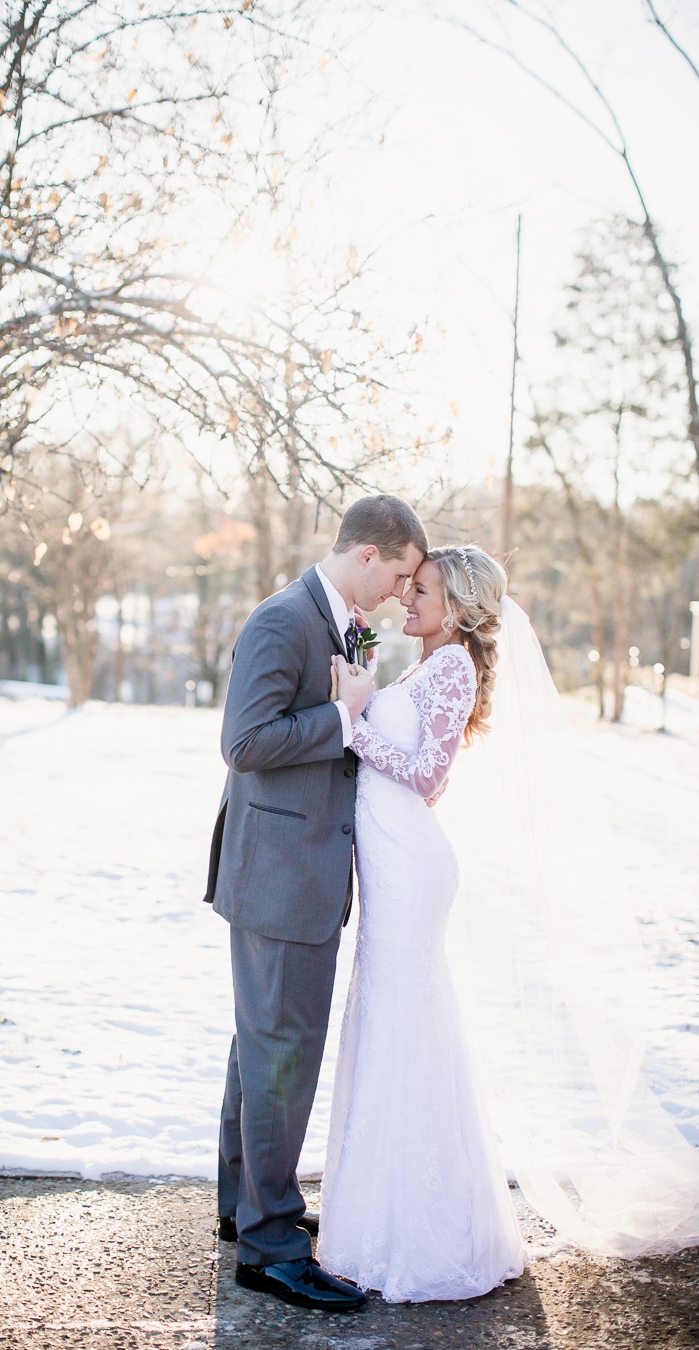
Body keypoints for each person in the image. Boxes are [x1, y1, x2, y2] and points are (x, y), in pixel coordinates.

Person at [203, 494, 428, 1313]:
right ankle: (270, 1248)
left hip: (292, 874)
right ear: (368, 555)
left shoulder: (337, 622)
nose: (403, 594)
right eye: (400, 574)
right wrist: (345, 715)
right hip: (279, 878)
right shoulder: (282, 620)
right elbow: (245, 742)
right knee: (281, 1055)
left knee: (261, 1046)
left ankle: (245, 1209)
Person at [317, 544, 525, 1302]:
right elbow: (421, 781)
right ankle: (381, 1214)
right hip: (397, 857)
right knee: (390, 1022)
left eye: (424, 589)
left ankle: (422, 1232)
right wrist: (369, 712)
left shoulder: (453, 667)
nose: (408, 598)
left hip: (410, 873)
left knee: (403, 1024)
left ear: (461, 608)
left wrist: (352, 719)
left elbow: (427, 776)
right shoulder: (430, 664)